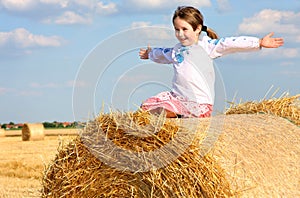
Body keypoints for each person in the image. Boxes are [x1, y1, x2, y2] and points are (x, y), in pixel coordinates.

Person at [139, 6, 284, 118]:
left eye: (184, 29)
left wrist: (258, 42)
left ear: (197, 29)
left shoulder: (207, 46)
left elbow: (231, 43)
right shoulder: (177, 50)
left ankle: (180, 117)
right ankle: (176, 116)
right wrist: (150, 54)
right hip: (177, 98)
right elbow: (163, 54)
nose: (180, 34)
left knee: (162, 112)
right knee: (145, 108)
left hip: (198, 103)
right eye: (177, 30)